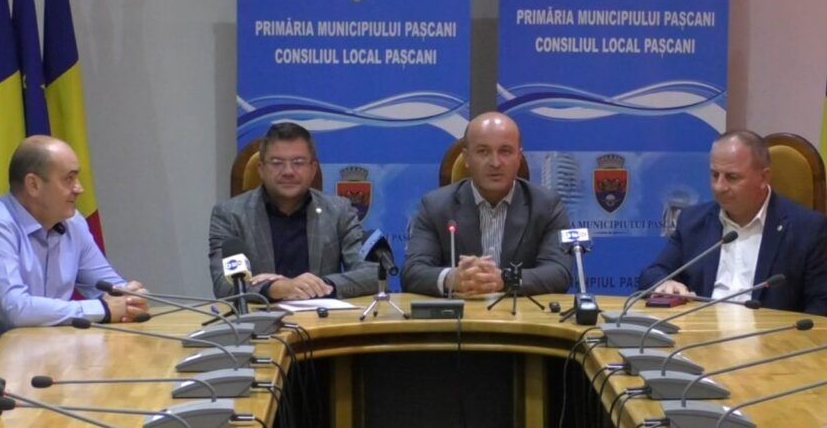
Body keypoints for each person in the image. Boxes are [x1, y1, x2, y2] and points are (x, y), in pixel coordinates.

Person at [0, 136, 148, 364]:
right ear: (33, 185)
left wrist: (131, 299)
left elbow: (109, 287)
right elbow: (16, 309)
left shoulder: (73, 223)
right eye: (69, 179)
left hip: (50, 360)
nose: (79, 189)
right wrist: (103, 308)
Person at [639, 130, 827, 317]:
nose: (719, 187)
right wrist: (665, 283)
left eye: (732, 177)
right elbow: (652, 273)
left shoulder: (809, 230)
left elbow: (824, 308)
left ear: (763, 177)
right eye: (714, 175)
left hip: (771, 340)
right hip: (700, 336)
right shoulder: (693, 221)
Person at [402, 111, 572, 297]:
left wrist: (505, 279)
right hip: (461, 313)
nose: (495, 163)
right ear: (466, 158)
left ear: (518, 158)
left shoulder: (547, 206)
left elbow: (559, 273)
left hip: (520, 314)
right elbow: (412, 272)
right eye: (483, 151)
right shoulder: (435, 206)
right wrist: (452, 278)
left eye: (505, 151)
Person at [209, 122, 376, 301]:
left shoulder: (339, 211)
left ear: (313, 169)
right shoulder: (229, 215)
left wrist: (317, 285)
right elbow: (224, 285)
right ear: (261, 169)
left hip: (323, 317)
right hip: (261, 318)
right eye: (277, 163)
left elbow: (372, 274)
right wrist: (275, 288)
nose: (288, 171)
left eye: (298, 163)